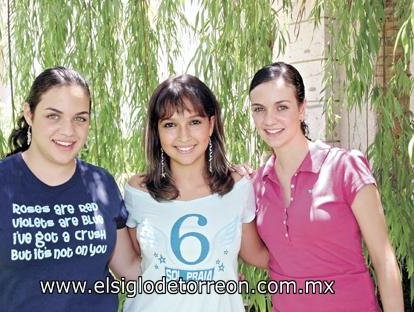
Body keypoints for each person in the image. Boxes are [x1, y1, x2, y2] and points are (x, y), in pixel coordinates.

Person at [0, 67, 140, 312]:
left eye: (80, 118)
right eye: (53, 116)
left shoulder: (102, 184)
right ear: (29, 113)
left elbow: (131, 271)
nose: (68, 131)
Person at [247, 62, 403, 311]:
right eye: (259, 109)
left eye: (282, 107)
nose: (269, 119)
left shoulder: (345, 167)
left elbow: (383, 258)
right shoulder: (257, 184)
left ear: (301, 109)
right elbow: (262, 256)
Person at [123, 74, 269, 312]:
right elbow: (136, 265)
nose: (183, 136)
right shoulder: (138, 192)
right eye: (170, 124)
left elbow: (256, 254)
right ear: (156, 131)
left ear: (211, 124)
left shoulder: (238, 187)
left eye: (194, 122)